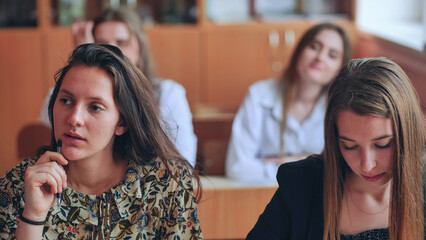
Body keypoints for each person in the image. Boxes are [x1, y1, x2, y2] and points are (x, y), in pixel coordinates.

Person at [1, 44, 202, 239]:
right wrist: (33, 217)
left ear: (122, 122)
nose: (74, 118)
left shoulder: (165, 184)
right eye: (66, 101)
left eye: (95, 107)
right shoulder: (19, 185)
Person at [246, 57, 425, 239]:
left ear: (407, 133)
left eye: (382, 145)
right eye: (349, 146)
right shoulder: (302, 185)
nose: (366, 166)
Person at [40, 7, 197, 166]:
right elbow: (54, 118)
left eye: (122, 42)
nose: (113, 51)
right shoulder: (62, 98)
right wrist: (85, 57)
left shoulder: (168, 92)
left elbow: (184, 163)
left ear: (140, 47)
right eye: (101, 44)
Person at [226, 23, 352, 181]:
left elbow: (340, 169)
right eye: (314, 47)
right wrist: (310, 162)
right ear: (299, 50)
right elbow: (237, 168)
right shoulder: (259, 95)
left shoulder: (340, 107)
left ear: (339, 68)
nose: (320, 57)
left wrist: (281, 162)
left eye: (332, 55)